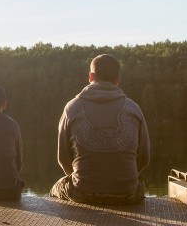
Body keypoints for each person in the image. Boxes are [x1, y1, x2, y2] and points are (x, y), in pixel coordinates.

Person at [50, 54, 150, 205]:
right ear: (118, 79)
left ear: (90, 76)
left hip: (82, 192)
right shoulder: (133, 108)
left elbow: (63, 158)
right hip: (128, 193)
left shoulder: (72, 107)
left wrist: (84, 180)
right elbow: (144, 158)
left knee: (55, 189)